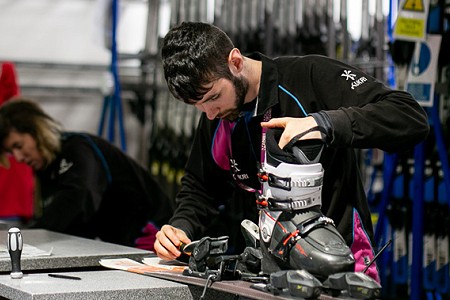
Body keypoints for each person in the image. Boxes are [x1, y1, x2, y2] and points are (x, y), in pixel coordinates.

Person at [154, 22, 429, 281]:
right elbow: (201, 188)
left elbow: (409, 115)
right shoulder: (218, 116)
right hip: (267, 274)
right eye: (199, 105)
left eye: (213, 97)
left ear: (235, 62)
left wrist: (326, 123)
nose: (210, 114)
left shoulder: (308, 76)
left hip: (341, 268)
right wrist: (180, 227)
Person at [0, 98, 173, 249]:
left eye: (19, 146)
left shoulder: (79, 149)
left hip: (151, 236)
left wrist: (30, 235)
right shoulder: (46, 169)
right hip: (118, 243)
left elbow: (78, 200)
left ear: (36, 131)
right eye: (11, 152)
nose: (18, 157)